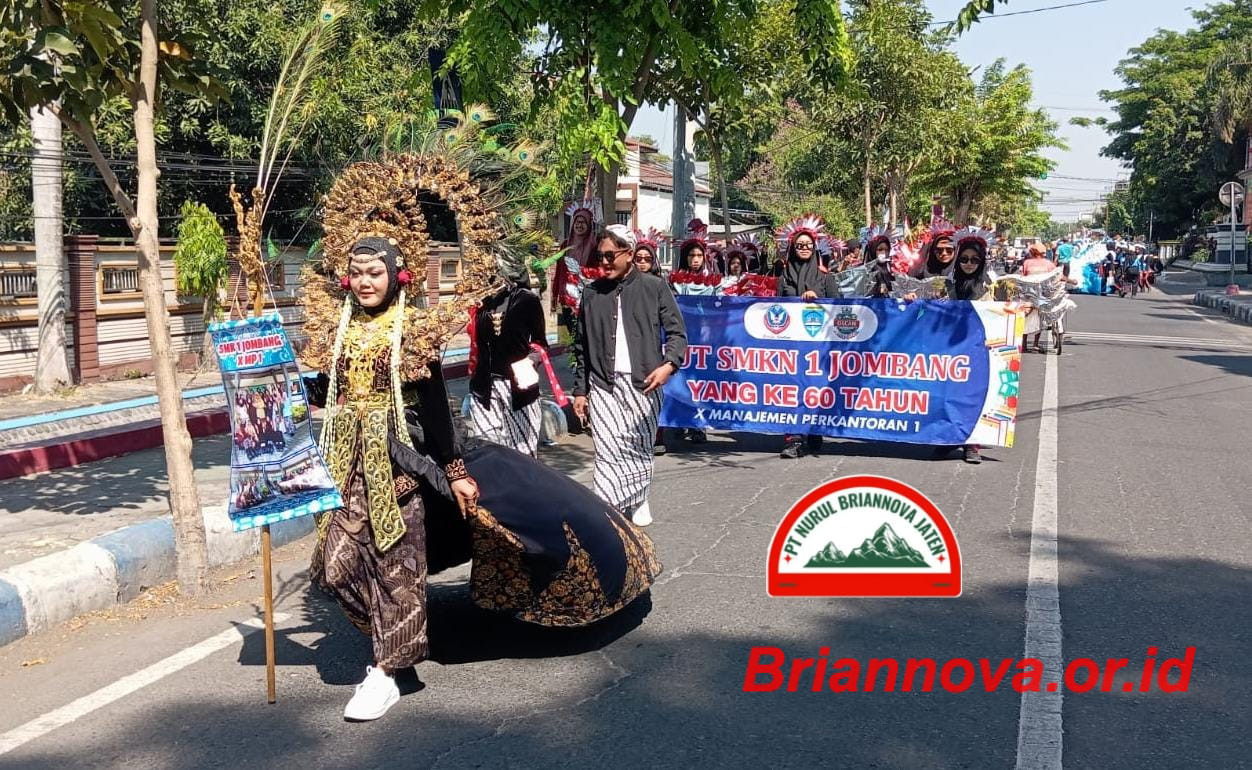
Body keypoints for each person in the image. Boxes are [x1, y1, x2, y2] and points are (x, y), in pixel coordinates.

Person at [301, 148, 661, 722]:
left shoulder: (411, 334)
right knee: (337, 567)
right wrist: (266, 398)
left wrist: (455, 472)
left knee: (396, 569)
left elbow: (434, 412)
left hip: (398, 470)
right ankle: (393, 638)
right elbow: (323, 392)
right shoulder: (337, 331)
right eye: (358, 272)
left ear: (397, 275)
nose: (366, 282)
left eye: (376, 272)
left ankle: (389, 669)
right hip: (345, 467)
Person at [573, 225, 688, 527]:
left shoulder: (654, 287)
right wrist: (580, 391)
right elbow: (581, 347)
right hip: (603, 385)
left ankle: (638, 497)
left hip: (644, 383)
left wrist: (668, 365)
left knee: (637, 446)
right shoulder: (591, 293)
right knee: (607, 449)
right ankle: (606, 510)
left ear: (629, 253)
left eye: (610, 255)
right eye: (600, 256)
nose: (604, 262)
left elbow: (677, 334)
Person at [777, 215, 842, 459]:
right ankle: (794, 438)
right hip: (792, 346)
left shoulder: (825, 277)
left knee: (815, 391)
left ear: (815, 248)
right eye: (799, 245)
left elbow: (840, 307)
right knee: (793, 391)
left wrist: (818, 300)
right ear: (792, 248)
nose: (804, 248)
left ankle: (814, 430)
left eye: (808, 245)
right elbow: (775, 307)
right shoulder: (784, 277)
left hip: (820, 348)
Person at [466, 271, 549, 457]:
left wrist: (530, 361)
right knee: (488, 452)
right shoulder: (479, 301)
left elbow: (540, 343)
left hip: (518, 388)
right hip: (483, 388)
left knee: (523, 455)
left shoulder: (526, 300)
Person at [1020, 242, 1058, 351]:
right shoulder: (1049, 264)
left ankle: (1024, 344)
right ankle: (1035, 344)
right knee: (1040, 317)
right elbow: (1055, 276)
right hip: (1043, 294)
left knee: (1026, 317)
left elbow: (1023, 276)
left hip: (1029, 293)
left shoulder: (1027, 263)